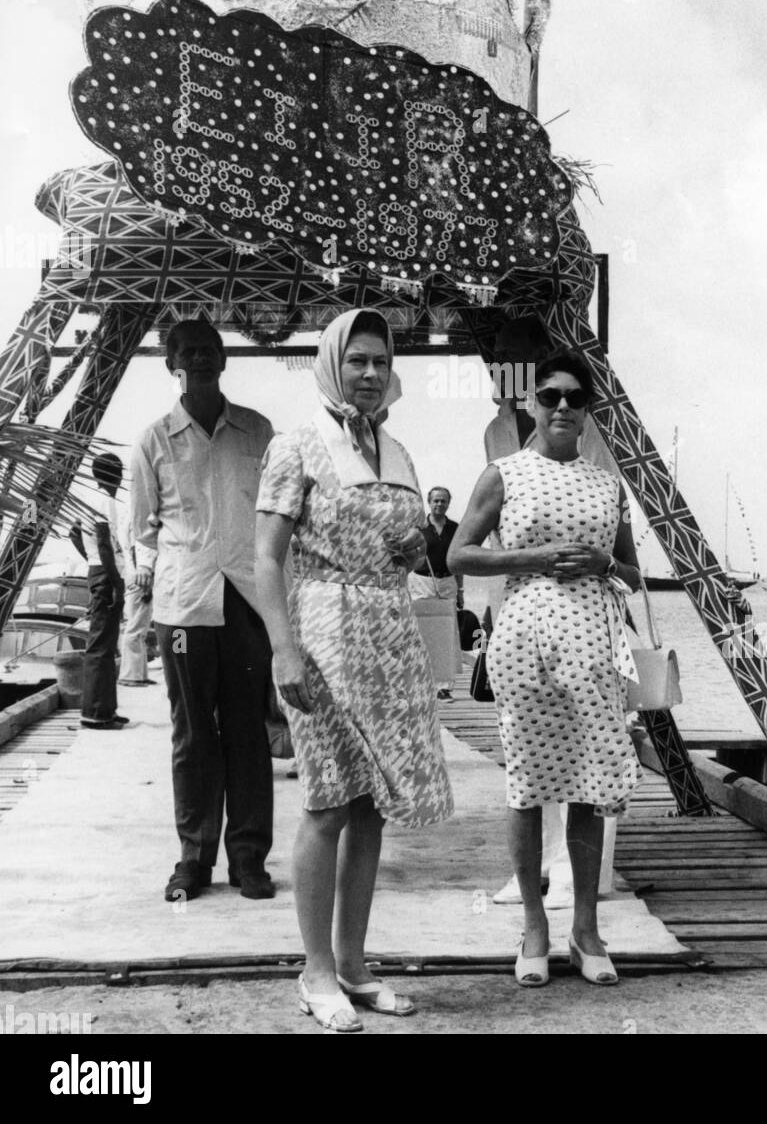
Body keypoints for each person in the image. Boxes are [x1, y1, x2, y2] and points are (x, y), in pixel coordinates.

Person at [255, 309, 454, 1034]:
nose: (369, 374)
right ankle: (313, 972)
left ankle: (353, 962)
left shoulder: (396, 450)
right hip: (323, 631)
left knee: (371, 803)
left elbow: (409, 552)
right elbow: (266, 558)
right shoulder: (296, 444)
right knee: (327, 800)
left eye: (380, 361)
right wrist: (283, 649)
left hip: (389, 633)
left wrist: (412, 543)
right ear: (332, 363)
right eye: (357, 360)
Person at [449, 348, 642, 989]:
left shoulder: (606, 484)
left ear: (589, 411)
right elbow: (460, 555)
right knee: (528, 785)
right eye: (550, 395)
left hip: (592, 642)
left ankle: (584, 929)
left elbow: (633, 572)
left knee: (590, 786)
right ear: (529, 403)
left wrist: (603, 565)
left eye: (575, 398)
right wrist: (530, 557)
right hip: (525, 639)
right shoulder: (502, 473)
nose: (562, 406)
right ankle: (534, 923)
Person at [130, 319, 276, 904]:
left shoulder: (259, 432)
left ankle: (249, 860)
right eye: (189, 352)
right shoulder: (155, 440)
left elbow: (281, 515)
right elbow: (142, 528)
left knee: (248, 733)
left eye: (210, 350)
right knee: (193, 736)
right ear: (173, 364)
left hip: (246, 603)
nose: (201, 359)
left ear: (224, 358)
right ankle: (193, 860)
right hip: (184, 606)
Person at [78, 453, 129, 731]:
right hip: (106, 575)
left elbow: (76, 533)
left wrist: (90, 560)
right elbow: (104, 542)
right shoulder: (106, 501)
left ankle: (105, 709)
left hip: (96, 571)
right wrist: (116, 582)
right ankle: (96, 714)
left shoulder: (87, 499)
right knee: (101, 647)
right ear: (117, 475)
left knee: (106, 645)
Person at [410, 487, 463, 699]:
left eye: (443, 501)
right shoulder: (419, 528)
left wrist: (461, 590)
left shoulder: (455, 529)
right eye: (435, 501)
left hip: (447, 581)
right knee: (421, 632)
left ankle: (443, 685)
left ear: (448, 504)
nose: (439, 505)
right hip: (422, 581)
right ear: (429, 503)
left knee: (445, 634)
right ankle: (420, 680)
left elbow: (458, 561)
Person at [117, 489, 156, 687]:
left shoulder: (126, 517)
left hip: (132, 576)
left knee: (138, 627)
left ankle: (139, 673)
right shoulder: (136, 518)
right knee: (136, 628)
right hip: (140, 578)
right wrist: (147, 583)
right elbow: (136, 549)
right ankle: (130, 675)